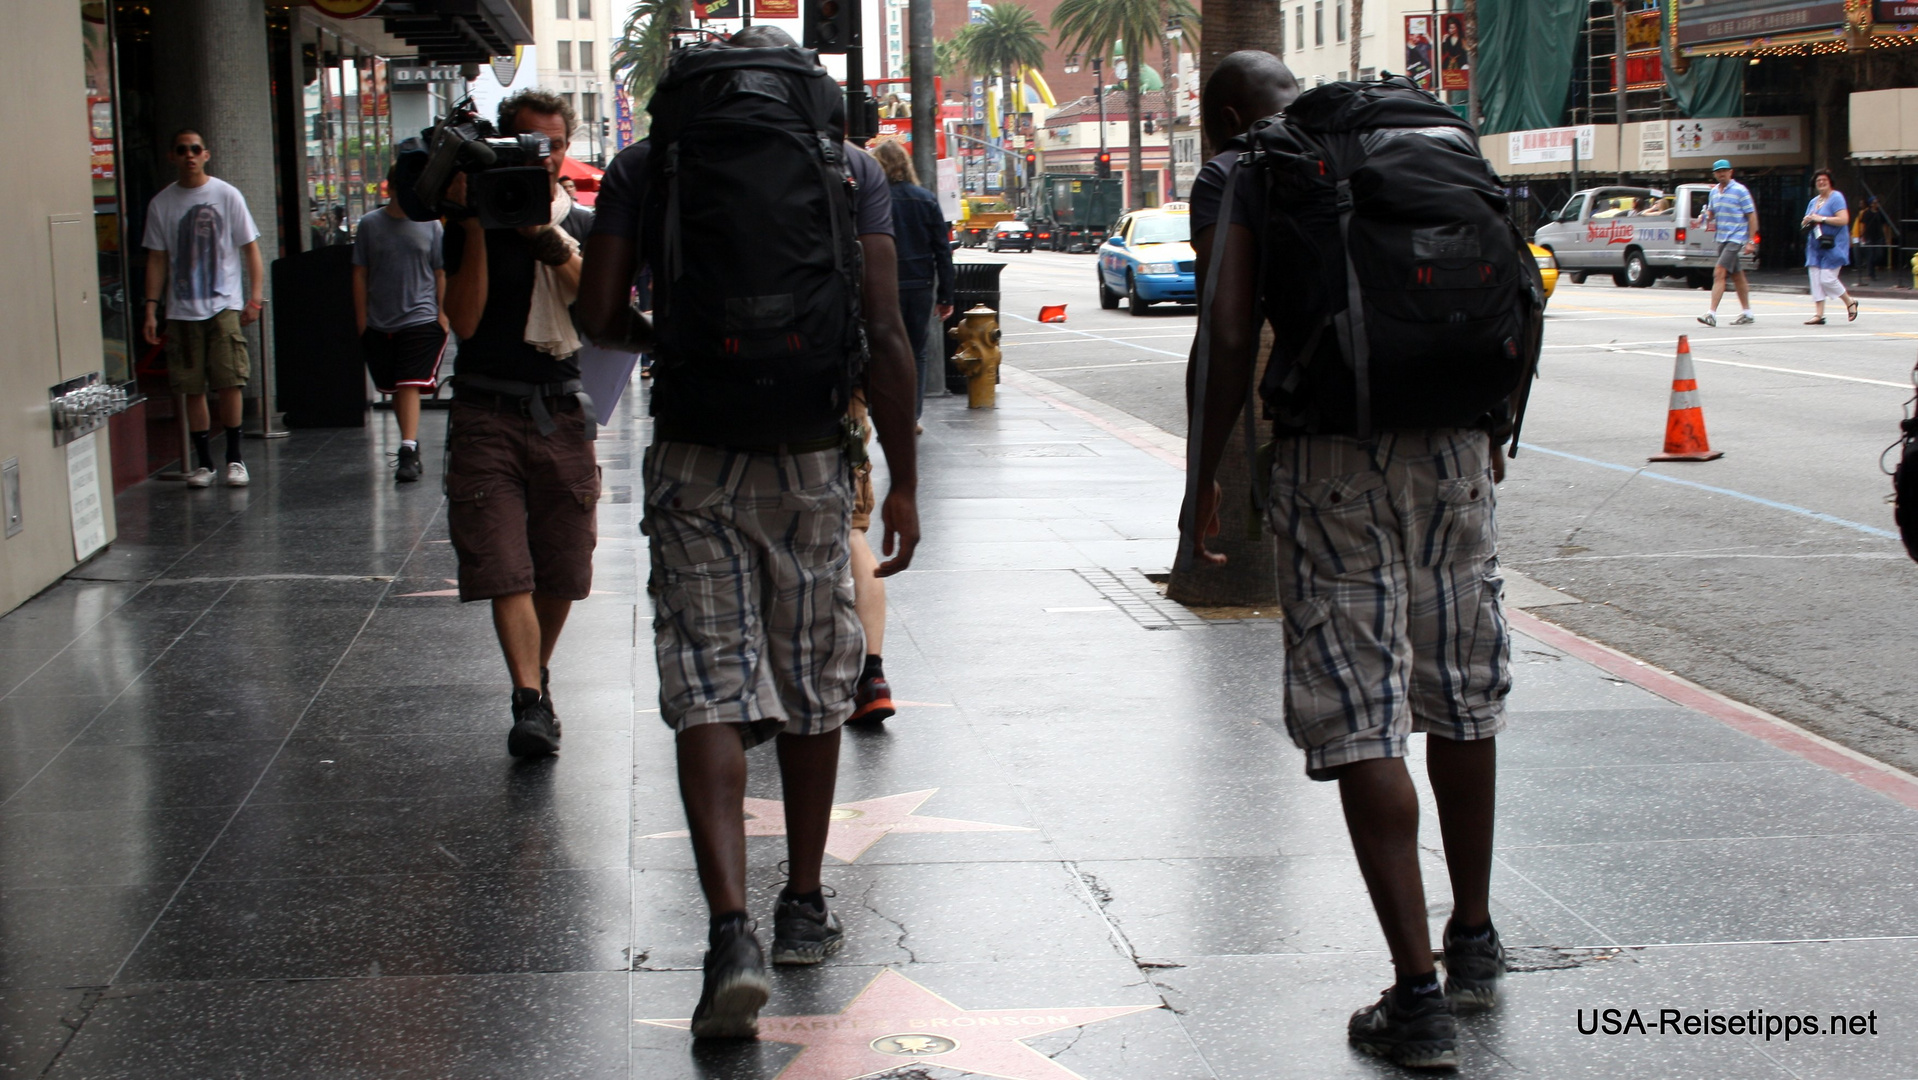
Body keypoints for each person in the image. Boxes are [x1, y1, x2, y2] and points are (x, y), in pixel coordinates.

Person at [575, 25, 920, 1041]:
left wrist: (667, 340)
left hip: (694, 451)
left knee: (707, 682)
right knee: (817, 678)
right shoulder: (849, 166)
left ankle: (729, 931)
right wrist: (904, 482)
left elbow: (598, 311)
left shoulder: (648, 163)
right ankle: (803, 903)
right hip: (813, 450)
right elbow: (888, 329)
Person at [1188, 51, 1511, 1070]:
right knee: (1460, 695)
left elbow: (1231, 330)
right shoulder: (1427, 131)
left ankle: (1414, 995)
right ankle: (1473, 933)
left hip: (1333, 457)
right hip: (1458, 448)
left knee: (1363, 712)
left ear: (1227, 113)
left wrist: (1204, 474)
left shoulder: (1257, 165)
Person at [439, 88, 597, 759]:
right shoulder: (473, 220)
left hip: (561, 411)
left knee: (561, 568)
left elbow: (601, 307)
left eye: (556, 144)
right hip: (485, 411)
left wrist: (545, 237)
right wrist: (479, 225)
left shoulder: (583, 223)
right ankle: (528, 698)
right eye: (532, 144)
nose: (546, 157)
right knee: (505, 567)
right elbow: (465, 322)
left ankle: (539, 675)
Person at [140, 127, 266, 489]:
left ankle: (235, 458)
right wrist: (151, 307)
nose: (189, 155)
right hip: (181, 310)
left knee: (230, 382)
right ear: (172, 157)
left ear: (206, 154)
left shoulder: (227, 195)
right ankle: (204, 463)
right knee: (191, 387)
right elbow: (158, 259)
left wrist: (253, 297)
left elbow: (250, 249)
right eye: (182, 150)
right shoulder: (162, 204)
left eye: (195, 149)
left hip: (223, 304)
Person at [353, 165, 448, 482]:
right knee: (395, 385)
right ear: (389, 188)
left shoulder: (432, 226)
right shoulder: (369, 225)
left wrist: (442, 315)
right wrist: (362, 319)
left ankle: (407, 448)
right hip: (380, 319)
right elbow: (360, 272)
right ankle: (410, 441)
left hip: (421, 316)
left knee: (408, 382)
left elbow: (440, 271)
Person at [869, 141, 954, 420]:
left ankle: (888, 415)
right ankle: (911, 416)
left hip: (883, 286)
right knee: (916, 353)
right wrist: (946, 296)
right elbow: (942, 250)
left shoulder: (872, 200)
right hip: (919, 286)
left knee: (883, 354)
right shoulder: (925, 199)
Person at [1695, 159, 1759, 327]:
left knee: (1719, 272)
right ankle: (1747, 313)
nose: (1722, 174)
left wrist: (1751, 240)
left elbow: (1751, 215)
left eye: (1725, 170)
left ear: (1731, 172)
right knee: (1737, 275)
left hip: (1735, 237)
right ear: (1715, 174)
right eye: (1718, 171)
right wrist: (1705, 216)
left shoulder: (1740, 191)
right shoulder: (1714, 192)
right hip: (1721, 237)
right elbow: (1712, 212)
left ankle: (1711, 313)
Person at [1801, 168, 1855, 325]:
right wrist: (1806, 221)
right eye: (1818, 181)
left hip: (1833, 245)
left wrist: (1822, 218)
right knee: (1816, 279)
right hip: (1814, 245)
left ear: (1830, 182)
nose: (1821, 183)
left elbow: (1844, 219)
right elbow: (1805, 221)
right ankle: (1819, 314)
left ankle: (1849, 301)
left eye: (1824, 180)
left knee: (1827, 279)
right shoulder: (1813, 201)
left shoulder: (1836, 197)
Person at [1857, 195, 1894, 283]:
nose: (1876, 204)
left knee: (1879, 254)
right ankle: (1871, 273)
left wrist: (1887, 237)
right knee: (1870, 255)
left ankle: (1872, 266)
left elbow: (1885, 226)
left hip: (1879, 236)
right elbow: (1862, 225)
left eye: (1877, 202)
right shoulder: (1867, 213)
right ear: (1871, 204)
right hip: (1869, 236)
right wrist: (1861, 235)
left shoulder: (1881, 213)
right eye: (1875, 203)